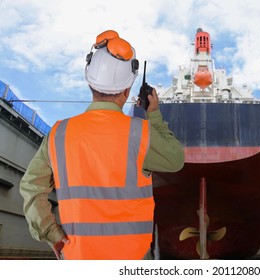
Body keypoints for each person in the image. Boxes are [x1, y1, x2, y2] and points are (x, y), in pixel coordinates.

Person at [20, 30, 184, 260]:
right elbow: (176, 159)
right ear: (127, 90)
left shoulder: (59, 133)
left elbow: (30, 188)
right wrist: (153, 115)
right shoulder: (140, 133)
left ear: (90, 84)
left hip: (78, 259)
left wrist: (51, 232)